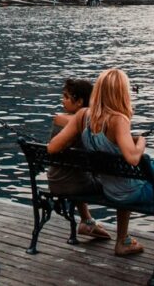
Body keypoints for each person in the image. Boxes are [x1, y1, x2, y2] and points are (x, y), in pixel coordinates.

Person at [49, 67, 154, 258]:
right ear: (121, 92)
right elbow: (132, 158)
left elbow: (52, 148)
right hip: (134, 193)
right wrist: (141, 142)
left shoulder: (83, 116)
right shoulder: (118, 119)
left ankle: (127, 240)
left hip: (111, 190)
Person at [48, 78, 110, 240]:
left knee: (78, 171)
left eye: (66, 97)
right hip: (76, 184)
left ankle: (87, 220)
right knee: (114, 180)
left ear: (79, 102)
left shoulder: (59, 119)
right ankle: (123, 237)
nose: (63, 100)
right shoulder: (92, 124)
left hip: (55, 180)